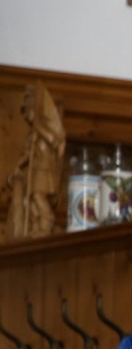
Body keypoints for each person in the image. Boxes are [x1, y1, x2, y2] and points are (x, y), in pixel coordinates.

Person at [5, 82, 65, 239]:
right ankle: (37, 226)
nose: (26, 116)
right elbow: (26, 154)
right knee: (31, 198)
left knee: (38, 196)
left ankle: (45, 224)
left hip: (43, 169)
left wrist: (39, 130)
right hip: (34, 169)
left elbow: (54, 141)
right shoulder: (31, 134)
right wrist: (18, 167)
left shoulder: (42, 130)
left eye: (27, 111)